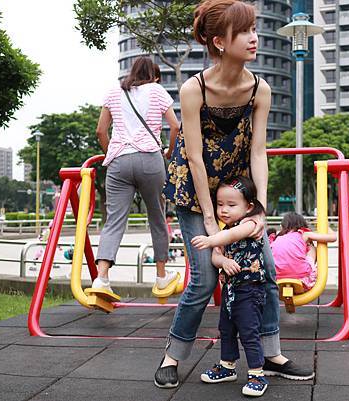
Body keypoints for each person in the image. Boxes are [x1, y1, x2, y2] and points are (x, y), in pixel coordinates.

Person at [158, 0, 313, 389]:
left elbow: (258, 152)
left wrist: (258, 211)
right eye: (244, 31)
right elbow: (194, 158)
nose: (254, 38)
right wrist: (212, 229)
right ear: (219, 42)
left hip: (237, 191)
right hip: (194, 192)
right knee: (205, 276)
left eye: (253, 29)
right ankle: (173, 355)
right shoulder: (195, 89)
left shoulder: (259, 88)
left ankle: (272, 355)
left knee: (267, 268)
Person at [93, 56, 180, 294]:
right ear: (154, 75)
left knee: (114, 220)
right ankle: (161, 276)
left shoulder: (114, 92)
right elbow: (175, 126)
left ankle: (101, 278)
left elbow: (101, 130)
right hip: (151, 159)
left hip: (119, 161)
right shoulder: (157, 90)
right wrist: (170, 152)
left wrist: (112, 152)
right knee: (158, 217)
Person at [190, 176, 269, 396]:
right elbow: (216, 258)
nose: (224, 210)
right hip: (231, 290)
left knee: (249, 331)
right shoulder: (225, 229)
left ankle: (256, 373)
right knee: (226, 328)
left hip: (250, 290)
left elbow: (234, 235)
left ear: (249, 206)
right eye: (220, 204)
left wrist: (211, 240)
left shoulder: (251, 224)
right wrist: (223, 261)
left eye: (232, 205)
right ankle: (227, 366)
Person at [271, 212, 337, 291]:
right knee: (311, 248)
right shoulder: (304, 234)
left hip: (277, 280)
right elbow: (333, 237)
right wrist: (326, 225)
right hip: (303, 278)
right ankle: (310, 270)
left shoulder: (278, 238)